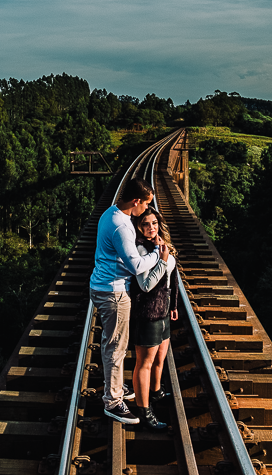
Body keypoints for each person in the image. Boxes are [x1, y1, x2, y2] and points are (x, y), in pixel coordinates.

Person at [90, 178, 169, 424]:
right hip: (113, 293)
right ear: (135, 201)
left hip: (105, 286)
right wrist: (158, 255)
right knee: (116, 347)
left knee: (113, 344)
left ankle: (114, 388)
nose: (146, 209)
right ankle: (113, 402)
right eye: (145, 204)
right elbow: (136, 266)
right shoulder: (122, 226)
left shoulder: (110, 214)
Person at [129, 206, 179, 431]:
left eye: (154, 223)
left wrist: (174, 305)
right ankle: (144, 411)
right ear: (139, 227)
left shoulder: (161, 245)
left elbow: (172, 277)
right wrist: (161, 259)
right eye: (146, 224)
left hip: (164, 311)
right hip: (148, 313)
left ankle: (156, 392)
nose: (151, 228)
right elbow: (146, 285)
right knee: (145, 364)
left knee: (161, 357)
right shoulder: (140, 249)